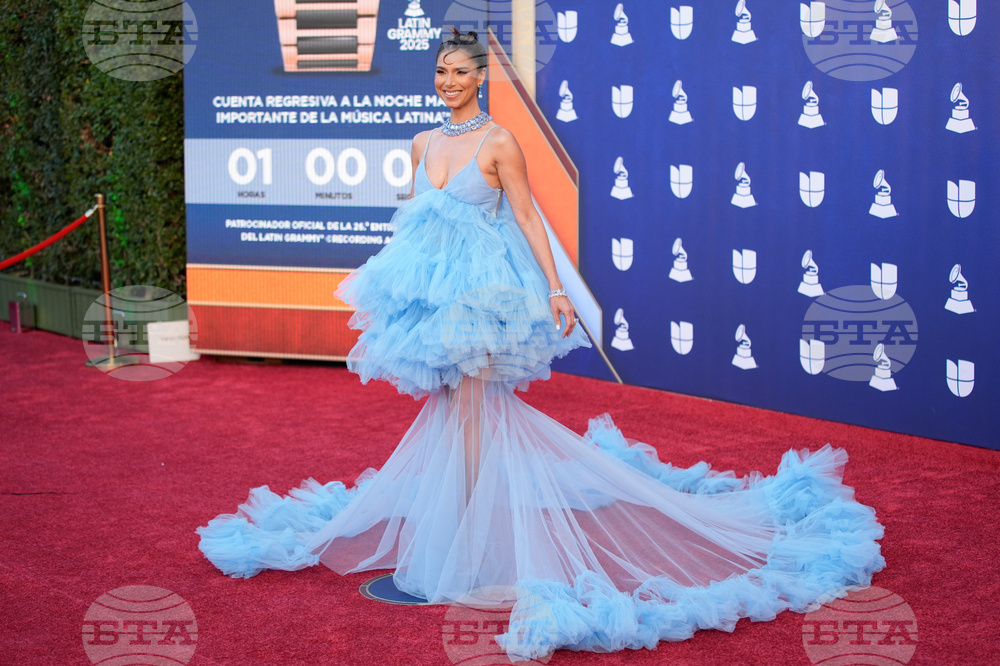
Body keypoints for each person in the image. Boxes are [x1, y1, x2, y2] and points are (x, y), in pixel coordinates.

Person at [196, 30, 886, 662]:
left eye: (460, 72)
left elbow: (528, 216)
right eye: (440, 71)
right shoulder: (421, 142)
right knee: (448, 405)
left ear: (480, 79)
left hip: (485, 295)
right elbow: (415, 219)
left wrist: (555, 290)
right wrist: (402, 287)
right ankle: (458, 526)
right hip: (432, 293)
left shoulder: (500, 142)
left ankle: (467, 542)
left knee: (472, 408)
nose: (448, 81)